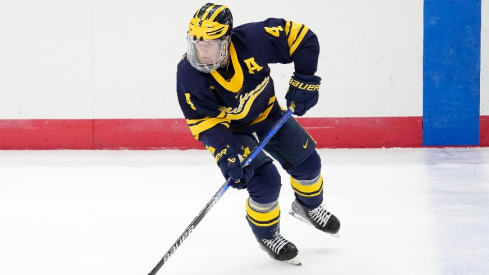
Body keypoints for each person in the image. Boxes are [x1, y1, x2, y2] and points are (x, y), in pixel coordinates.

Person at [176, 3, 340, 265]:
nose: (201, 50)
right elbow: (204, 121)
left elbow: (303, 37)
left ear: (227, 39)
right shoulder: (188, 73)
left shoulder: (253, 39)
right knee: (265, 181)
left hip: (268, 115)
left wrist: (305, 78)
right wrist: (225, 154)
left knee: (309, 163)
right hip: (232, 133)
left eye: (209, 42)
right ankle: (268, 235)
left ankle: (308, 206)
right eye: (196, 41)